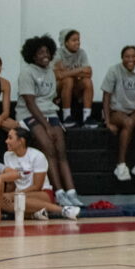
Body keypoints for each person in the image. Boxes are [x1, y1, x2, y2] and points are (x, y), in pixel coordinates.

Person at [16, 34, 83, 208]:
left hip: (49, 113)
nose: (45, 55)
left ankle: (71, 193)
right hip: (28, 114)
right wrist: (46, 126)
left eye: (47, 51)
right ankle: (59, 193)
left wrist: (51, 120)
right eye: (40, 52)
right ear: (32, 55)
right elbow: (30, 103)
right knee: (48, 148)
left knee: (61, 151)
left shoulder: (51, 73)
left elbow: (50, 98)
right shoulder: (27, 72)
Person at [0, 127, 80, 220]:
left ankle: (63, 210)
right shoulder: (7, 156)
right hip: (20, 194)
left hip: (41, 193)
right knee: (0, 200)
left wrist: (13, 195)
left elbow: (37, 186)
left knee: (18, 200)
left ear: (21, 141)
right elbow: (11, 183)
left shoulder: (37, 156)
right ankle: (35, 214)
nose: (6, 141)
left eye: (10, 138)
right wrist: (7, 196)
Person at [103, 45, 135, 183]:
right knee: (128, 122)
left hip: (133, 111)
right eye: (127, 56)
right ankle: (121, 165)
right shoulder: (114, 70)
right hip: (116, 111)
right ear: (122, 58)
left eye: (133, 56)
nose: (130, 59)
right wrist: (107, 121)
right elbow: (106, 95)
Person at [53, 29, 94, 127]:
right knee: (68, 80)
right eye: (74, 40)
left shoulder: (82, 53)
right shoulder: (57, 53)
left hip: (75, 88)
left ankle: (87, 118)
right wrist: (79, 71)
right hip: (58, 89)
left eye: (78, 40)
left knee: (88, 82)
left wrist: (67, 72)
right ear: (65, 42)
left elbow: (89, 73)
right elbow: (58, 75)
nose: (78, 43)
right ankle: (67, 116)